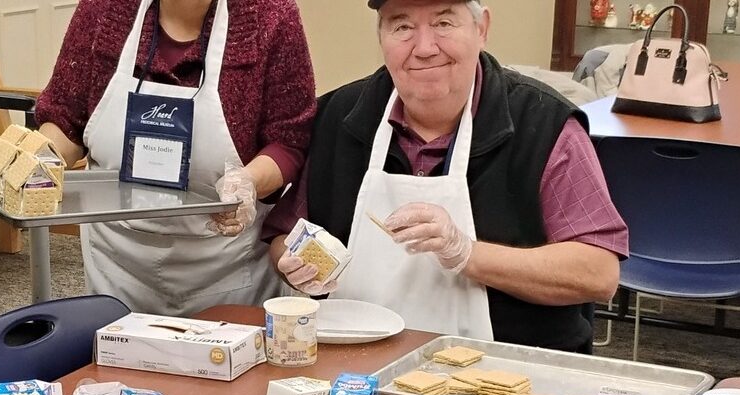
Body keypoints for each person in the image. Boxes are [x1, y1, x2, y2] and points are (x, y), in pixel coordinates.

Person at [264, 0, 627, 353]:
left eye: (443, 23)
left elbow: (598, 273)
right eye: (402, 26)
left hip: (505, 376)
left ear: (481, 28)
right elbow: (285, 236)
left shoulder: (545, 125)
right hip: (357, 372)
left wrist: (467, 254)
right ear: (381, 38)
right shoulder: (336, 117)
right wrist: (295, 265)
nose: (424, 48)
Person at [35, 0, 317, 316]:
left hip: (226, 271)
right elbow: (66, 119)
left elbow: (289, 141)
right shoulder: (103, 10)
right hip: (117, 268)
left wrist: (249, 182)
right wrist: (36, 159)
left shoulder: (270, 16)